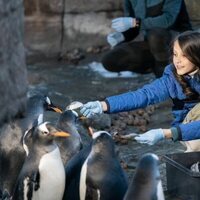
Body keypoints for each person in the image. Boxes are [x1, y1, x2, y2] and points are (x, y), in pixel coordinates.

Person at [80, 31, 200, 151]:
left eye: (184, 56)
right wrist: (103, 105)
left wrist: (165, 133)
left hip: (180, 131)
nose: (177, 61)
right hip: (186, 132)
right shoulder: (172, 78)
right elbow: (144, 95)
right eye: (175, 54)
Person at [102, 0, 192, 78]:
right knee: (110, 60)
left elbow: (168, 20)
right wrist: (122, 36)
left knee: (155, 35)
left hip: (180, 42)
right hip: (152, 44)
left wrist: (135, 22)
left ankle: (167, 77)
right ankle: (156, 67)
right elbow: (134, 26)